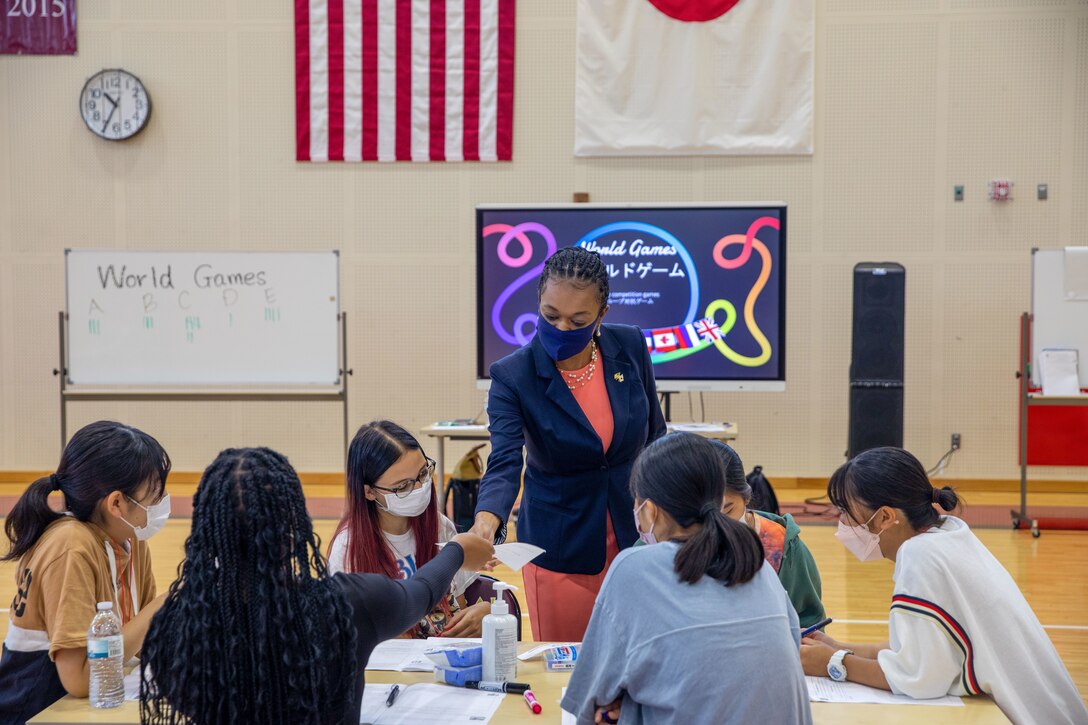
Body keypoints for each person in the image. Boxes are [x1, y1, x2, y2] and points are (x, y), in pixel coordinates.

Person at [140, 447, 493, 725]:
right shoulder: (349, 604)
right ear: (294, 523)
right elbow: (421, 592)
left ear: (205, 528)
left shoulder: (175, 628)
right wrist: (457, 551)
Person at [801, 447, 1088, 724]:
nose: (844, 523)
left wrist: (833, 662)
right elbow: (926, 651)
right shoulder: (948, 533)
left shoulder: (920, 556)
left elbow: (921, 678)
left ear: (886, 517)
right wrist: (840, 647)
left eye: (848, 512)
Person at [471, 246, 667, 641]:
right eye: (550, 316)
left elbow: (654, 437)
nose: (561, 329)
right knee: (563, 670)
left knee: (638, 658)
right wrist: (485, 522)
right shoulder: (514, 376)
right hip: (560, 546)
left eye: (578, 320)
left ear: (602, 315)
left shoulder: (628, 347)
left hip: (637, 539)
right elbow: (506, 462)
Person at [562, 433, 812, 725]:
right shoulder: (757, 563)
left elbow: (590, 702)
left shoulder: (633, 568)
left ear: (650, 509)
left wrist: (619, 706)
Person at [0, 420, 172, 723]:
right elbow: (79, 680)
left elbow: (146, 638)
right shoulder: (70, 546)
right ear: (117, 503)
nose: (160, 504)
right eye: (154, 494)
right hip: (39, 708)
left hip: (95, 700)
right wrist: (165, 602)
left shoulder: (131, 537)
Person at [327, 420, 490, 637]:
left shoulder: (440, 527)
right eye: (402, 486)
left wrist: (483, 615)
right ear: (369, 492)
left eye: (423, 474)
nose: (420, 488)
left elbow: (458, 610)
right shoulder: (348, 548)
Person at [715, 441, 826, 628]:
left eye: (728, 510)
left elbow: (810, 620)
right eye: (705, 514)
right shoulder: (668, 542)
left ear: (746, 496)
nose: (718, 523)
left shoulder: (781, 546)